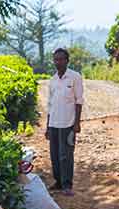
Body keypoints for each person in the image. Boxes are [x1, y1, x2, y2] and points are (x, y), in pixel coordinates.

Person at [46, 47, 84, 196]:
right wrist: (47, 126)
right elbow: (50, 104)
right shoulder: (53, 80)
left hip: (68, 123)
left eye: (61, 59)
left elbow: (79, 101)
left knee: (66, 155)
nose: (58, 62)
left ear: (67, 61)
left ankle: (67, 185)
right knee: (54, 155)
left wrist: (77, 123)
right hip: (54, 123)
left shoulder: (75, 77)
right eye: (56, 59)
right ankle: (58, 182)